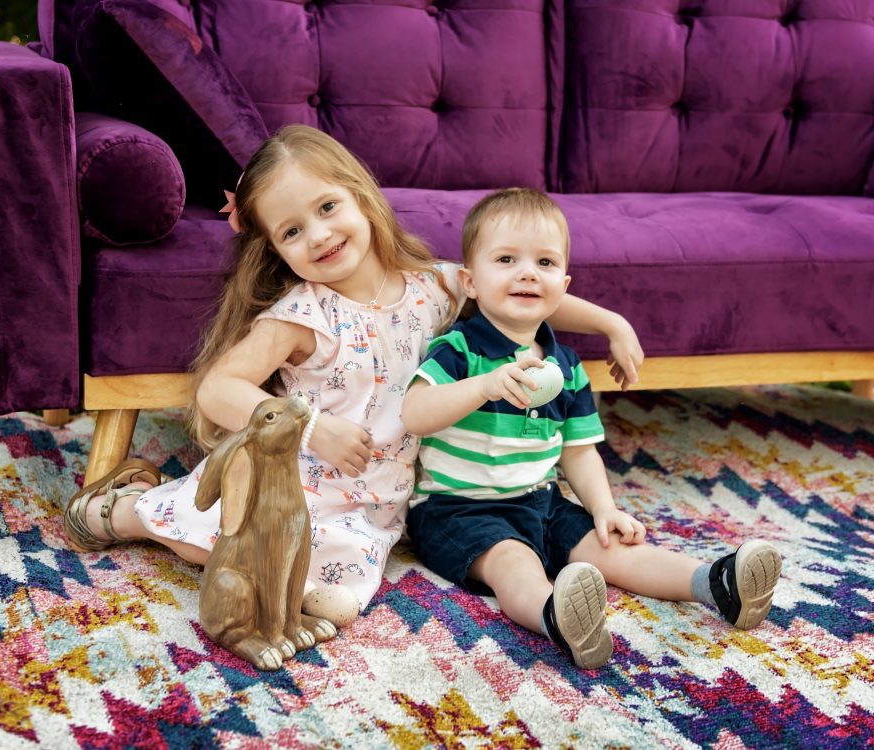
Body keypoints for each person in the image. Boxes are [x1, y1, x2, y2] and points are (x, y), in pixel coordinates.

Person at [63, 126, 645, 626]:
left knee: (341, 589)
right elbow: (219, 388)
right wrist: (312, 429)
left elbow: (516, 293)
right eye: (291, 231)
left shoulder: (433, 286)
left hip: (374, 503)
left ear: (361, 197)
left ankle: (291, 582)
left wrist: (610, 322)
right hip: (293, 479)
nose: (317, 235)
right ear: (274, 249)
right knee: (214, 528)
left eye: (326, 208)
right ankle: (131, 510)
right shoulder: (303, 316)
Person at [401, 188, 782, 669]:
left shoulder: (566, 365)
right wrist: (484, 387)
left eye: (544, 262)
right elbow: (413, 414)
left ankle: (716, 583)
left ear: (563, 283)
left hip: (539, 500)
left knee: (612, 547)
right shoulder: (459, 350)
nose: (527, 272)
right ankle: (554, 616)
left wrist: (604, 509)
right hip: (456, 509)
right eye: (506, 259)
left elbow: (578, 452)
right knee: (511, 562)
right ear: (470, 282)